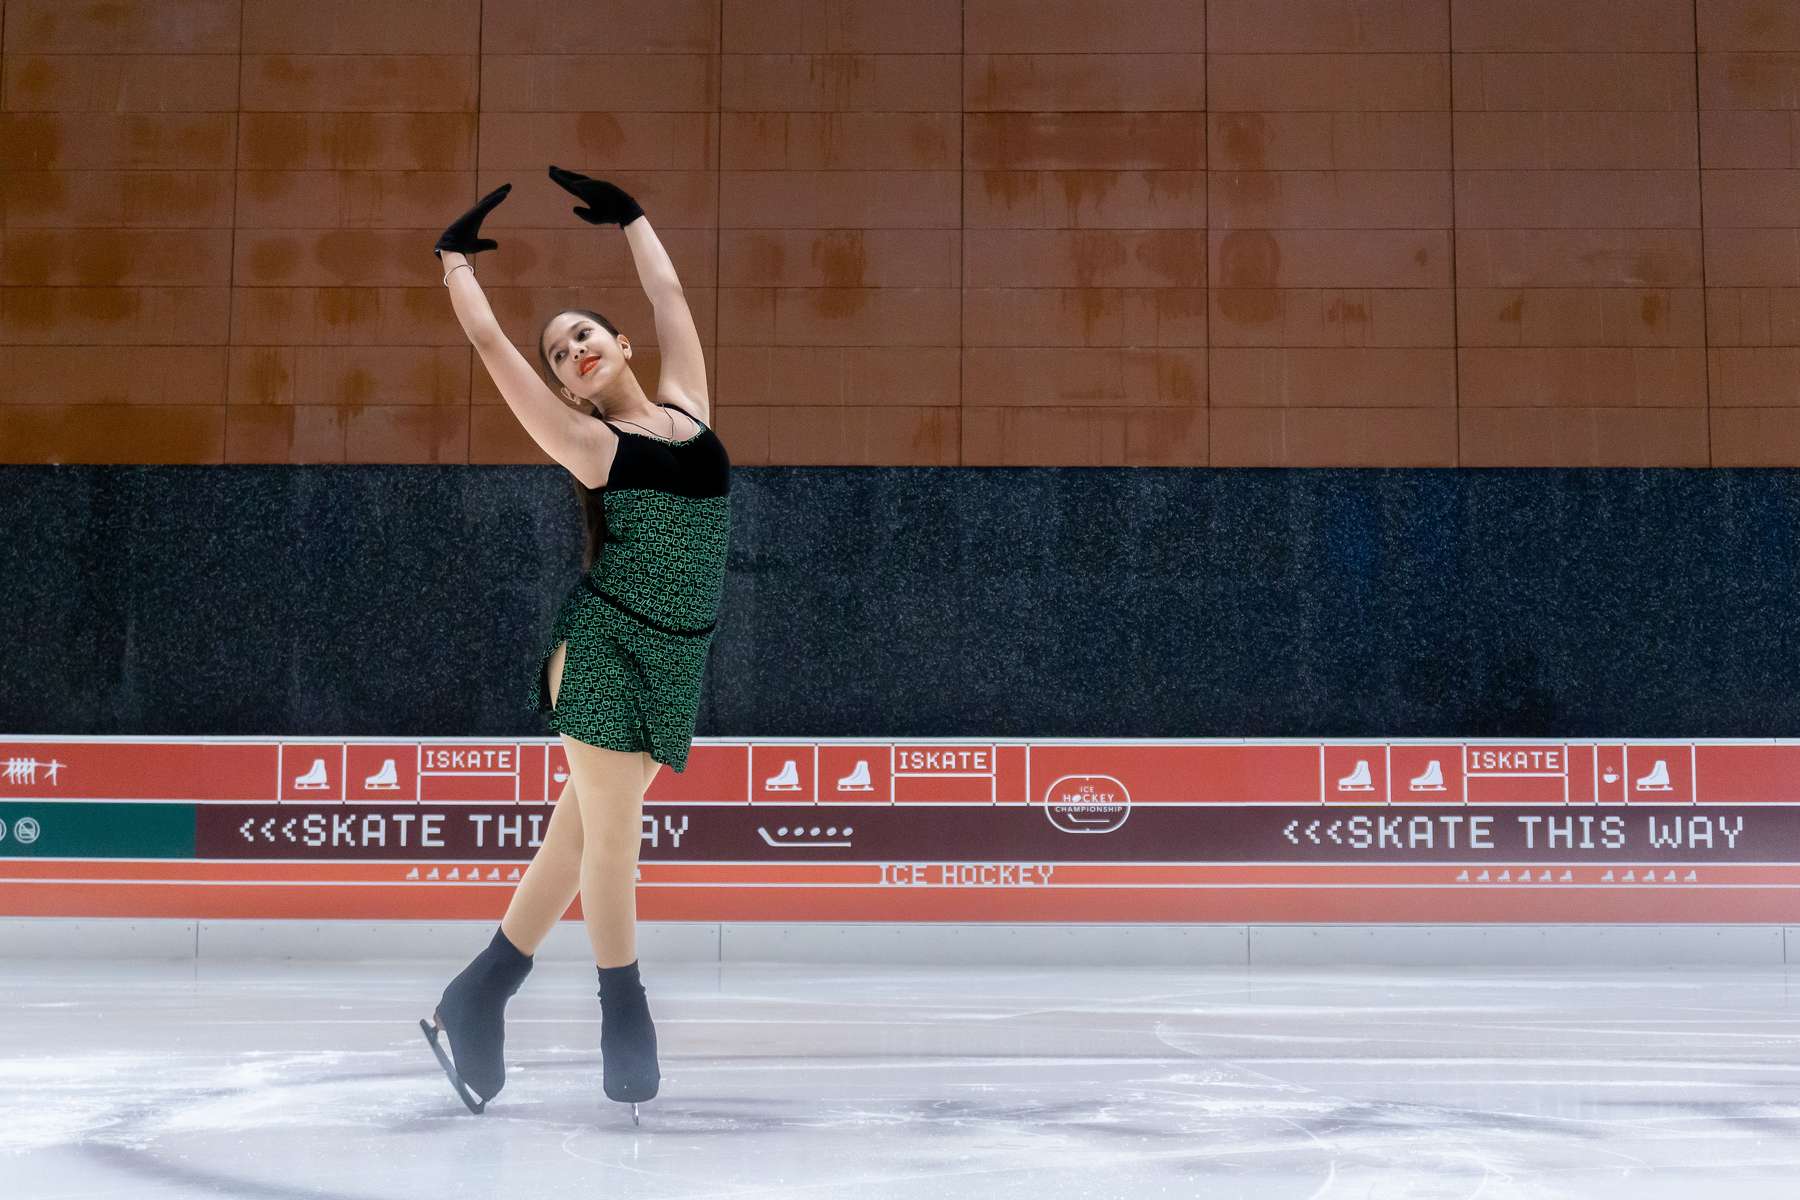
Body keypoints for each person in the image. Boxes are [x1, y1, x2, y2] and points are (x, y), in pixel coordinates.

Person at [418, 167, 731, 1125]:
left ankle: (476, 997)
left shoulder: (688, 407)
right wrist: (453, 263)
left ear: (620, 343)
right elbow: (485, 342)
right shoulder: (590, 446)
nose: (572, 348)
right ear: (562, 385)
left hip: (674, 659)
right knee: (613, 843)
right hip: (602, 649)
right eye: (558, 352)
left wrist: (635, 215)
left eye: (584, 334)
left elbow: (671, 296)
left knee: (579, 837)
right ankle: (623, 1015)